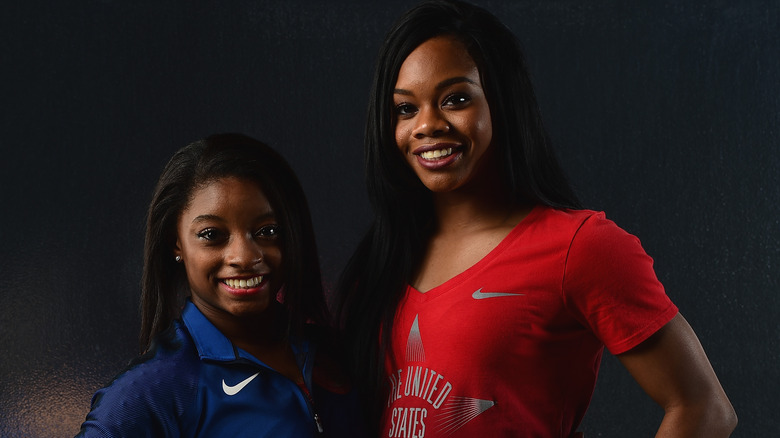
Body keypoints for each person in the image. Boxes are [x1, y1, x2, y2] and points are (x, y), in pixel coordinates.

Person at [336, 1, 737, 437]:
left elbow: (704, 408)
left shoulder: (579, 247)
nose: (427, 125)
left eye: (456, 99)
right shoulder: (381, 264)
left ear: (501, 102)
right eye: (405, 109)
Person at [77, 133, 361, 437]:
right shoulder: (156, 389)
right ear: (176, 244)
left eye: (267, 231)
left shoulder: (332, 350)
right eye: (212, 234)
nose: (244, 256)